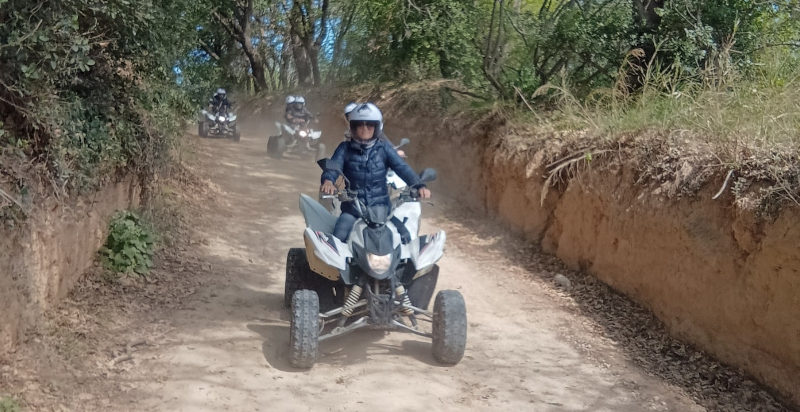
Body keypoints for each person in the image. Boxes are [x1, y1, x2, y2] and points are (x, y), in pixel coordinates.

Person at [320, 103, 431, 241]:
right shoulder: (344, 148)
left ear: (376, 127)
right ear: (352, 127)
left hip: (382, 210)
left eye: (369, 125)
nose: (364, 129)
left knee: (406, 238)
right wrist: (328, 181)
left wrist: (419, 185)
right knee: (338, 238)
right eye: (359, 125)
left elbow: (402, 167)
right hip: (353, 209)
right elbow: (333, 166)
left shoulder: (384, 149)